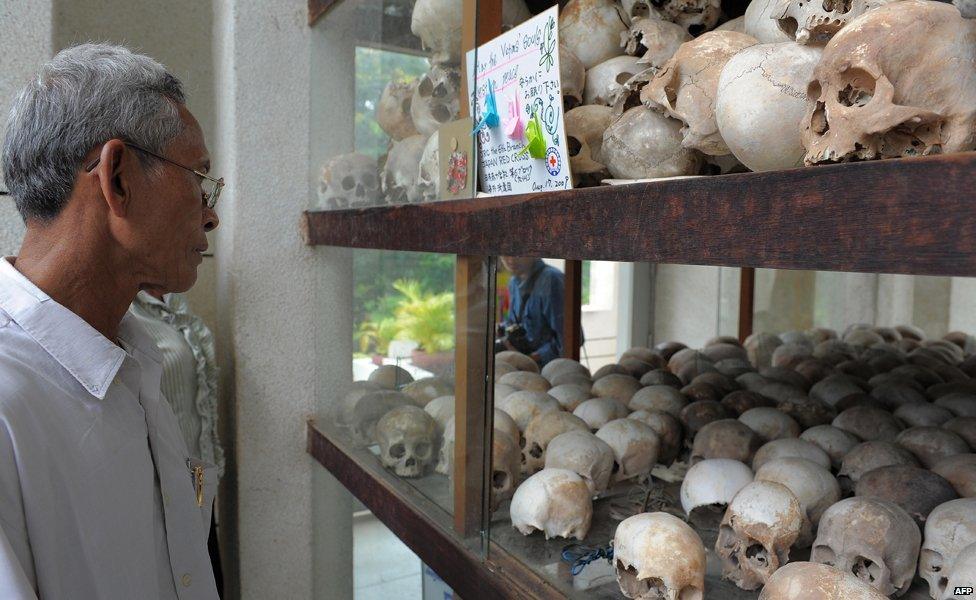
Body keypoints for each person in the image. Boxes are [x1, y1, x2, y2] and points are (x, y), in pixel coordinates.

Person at [0, 44, 222, 599]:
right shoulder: (9, 406)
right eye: (199, 177)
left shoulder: (134, 352)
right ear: (117, 177)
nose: (212, 213)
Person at [129, 290, 224, 595]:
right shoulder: (121, 309)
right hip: (155, 497)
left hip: (196, 482)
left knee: (207, 578)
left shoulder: (167, 304)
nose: (203, 239)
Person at [498, 257, 566, 367]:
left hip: (552, 371)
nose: (511, 259)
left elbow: (568, 340)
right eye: (505, 253)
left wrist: (529, 359)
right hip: (526, 365)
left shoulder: (552, 280)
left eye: (518, 251)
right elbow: (513, 322)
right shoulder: (514, 282)